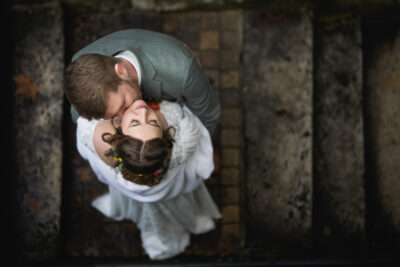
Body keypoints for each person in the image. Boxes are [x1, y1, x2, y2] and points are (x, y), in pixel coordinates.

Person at [76, 99, 221, 260]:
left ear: (120, 138)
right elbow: (193, 126)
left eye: (134, 122)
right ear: (166, 140)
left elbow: (84, 127)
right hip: (171, 194)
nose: (143, 111)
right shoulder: (182, 144)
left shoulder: (99, 141)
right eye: (153, 122)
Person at [65, 29, 220, 136]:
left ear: (121, 71)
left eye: (123, 106)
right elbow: (77, 115)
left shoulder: (182, 70)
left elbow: (208, 116)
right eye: (113, 115)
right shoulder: (80, 68)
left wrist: (203, 151)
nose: (125, 116)